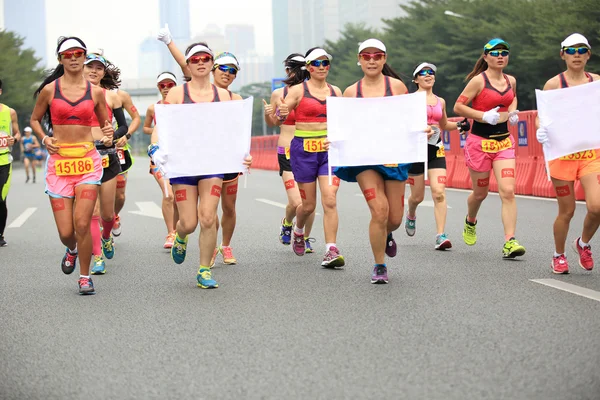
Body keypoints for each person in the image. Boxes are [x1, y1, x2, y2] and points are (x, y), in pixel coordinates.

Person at [149, 42, 252, 289]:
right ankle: (180, 236)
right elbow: (159, 128)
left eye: (205, 58)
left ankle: (204, 270)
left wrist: (244, 155)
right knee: (189, 222)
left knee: (207, 218)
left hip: (212, 165)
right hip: (184, 166)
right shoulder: (176, 95)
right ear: (188, 64)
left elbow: (237, 133)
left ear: (211, 63)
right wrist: (155, 149)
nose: (200, 62)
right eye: (195, 59)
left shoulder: (228, 97)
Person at [31, 36, 114, 294]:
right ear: (60, 59)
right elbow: (35, 120)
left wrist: (108, 132)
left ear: (84, 56)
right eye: (68, 54)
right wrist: (45, 139)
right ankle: (72, 249)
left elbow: (104, 124)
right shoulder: (49, 90)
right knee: (67, 232)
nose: (74, 57)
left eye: (78, 53)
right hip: (59, 164)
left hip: (87, 163)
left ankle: (85, 276)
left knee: (82, 223)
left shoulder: (96, 92)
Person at [333, 39, 412, 283]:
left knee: (395, 219)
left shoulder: (397, 87)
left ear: (384, 59)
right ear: (359, 60)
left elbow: (409, 119)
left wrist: (424, 130)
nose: (371, 60)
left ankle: (387, 234)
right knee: (379, 210)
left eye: (377, 56)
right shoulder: (351, 92)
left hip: (393, 157)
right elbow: (343, 126)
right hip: (364, 158)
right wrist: (334, 140)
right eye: (366, 56)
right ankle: (379, 265)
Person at [453, 38, 526, 259]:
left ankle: (510, 241)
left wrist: (512, 111)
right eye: (495, 53)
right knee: (480, 193)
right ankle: (471, 220)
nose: (500, 56)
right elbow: (459, 106)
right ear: (485, 57)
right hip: (479, 144)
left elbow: (512, 99)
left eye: (504, 52)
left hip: (504, 142)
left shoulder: (510, 80)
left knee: (508, 191)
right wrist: (484, 116)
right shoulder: (478, 81)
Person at [536, 33, 600, 274]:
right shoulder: (554, 84)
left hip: (590, 154)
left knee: (597, 207)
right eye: (571, 50)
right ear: (562, 54)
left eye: (581, 50)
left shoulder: (596, 82)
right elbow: (541, 117)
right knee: (568, 210)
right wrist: (540, 129)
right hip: (562, 157)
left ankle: (583, 244)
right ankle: (558, 255)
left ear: (588, 54)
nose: (576, 55)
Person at [279, 47, 345, 268]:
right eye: (316, 63)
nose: (321, 67)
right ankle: (298, 231)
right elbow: (282, 114)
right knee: (307, 206)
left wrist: (338, 139)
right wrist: (279, 112)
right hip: (303, 151)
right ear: (308, 67)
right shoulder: (298, 90)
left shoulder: (336, 91)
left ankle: (331, 249)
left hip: (329, 151)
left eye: (325, 63)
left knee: (330, 199)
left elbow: (344, 121)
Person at [406, 62, 470, 250]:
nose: (428, 75)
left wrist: (460, 126)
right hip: (416, 150)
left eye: (431, 72)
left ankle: (440, 235)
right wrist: (417, 131)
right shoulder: (409, 100)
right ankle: (411, 213)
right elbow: (402, 126)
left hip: (436, 149)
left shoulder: (440, 101)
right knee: (417, 197)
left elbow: (444, 124)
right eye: (423, 73)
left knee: (439, 193)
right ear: (416, 79)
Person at [82, 50, 129, 275]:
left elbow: (123, 126)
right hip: (83, 158)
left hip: (107, 157)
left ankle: (107, 236)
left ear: (103, 72)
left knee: (108, 215)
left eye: (98, 68)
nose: (93, 71)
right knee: (94, 212)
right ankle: (98, 257)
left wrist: (116, 135)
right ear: (81, 69)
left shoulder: (111, 96)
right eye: (89, 67)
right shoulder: (72, 97)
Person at [264, 53, 317, 253]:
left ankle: (306, 236)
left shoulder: (314, 92)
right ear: (287, 71)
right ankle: (288, 222)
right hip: (286, 150)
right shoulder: (279, 94)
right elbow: (273, 123)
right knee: (296, 202)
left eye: (303, 68)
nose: (298, 73)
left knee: (308, 201)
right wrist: (270, 113)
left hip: (309, 149)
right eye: (294, 69)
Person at [143, 71, 178, 248]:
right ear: (158, 87)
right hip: (158, 158)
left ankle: (179, 231)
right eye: (162, 85)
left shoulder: (182, 106)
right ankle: (171, 233)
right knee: (168, 195)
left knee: (180, 196)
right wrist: (157, 133)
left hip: (179, 158)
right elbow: (146, 128)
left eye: (170, 85)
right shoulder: (153, 108)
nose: (166, 88)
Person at [112, 74, 141, 238]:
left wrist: (126, 135)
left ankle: (114, 215)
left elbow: (136, 118)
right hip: (93, 149)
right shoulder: (86, 93)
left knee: (119, 194)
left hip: (118, 149)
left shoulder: (120, 95)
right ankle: (102, 228)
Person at [0, 78, 21, 247]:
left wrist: (14, 139)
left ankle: (0, 234)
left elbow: (17, 133)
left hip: (4, 161)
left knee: (1, 198)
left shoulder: (10, 112)